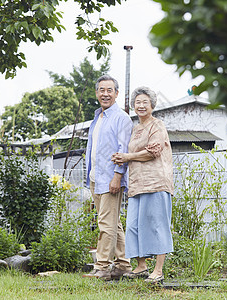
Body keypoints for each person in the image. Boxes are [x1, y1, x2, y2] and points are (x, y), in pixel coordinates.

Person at [111, 86, 174, 283]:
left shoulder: (157, 125)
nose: (140, 105)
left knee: (157, 225)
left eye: (144, 102)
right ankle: (141, 266)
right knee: (133, 226)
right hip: (137, 184)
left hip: (156, 182)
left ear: (152, 105)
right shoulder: (136, 128)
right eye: (137, 102)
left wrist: (127, 157)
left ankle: (158, 269)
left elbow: (153, 151)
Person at [82, 75, 133, 281]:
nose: (105, 94)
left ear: (116, 93)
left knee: (106, 224)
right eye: (101, 90)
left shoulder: (121, 118)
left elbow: (123, 149)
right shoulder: (98, 117)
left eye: (109, 90)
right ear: (97, 93)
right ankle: (123, 264)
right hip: (96, 178)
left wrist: (117, 177)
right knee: (113, 223)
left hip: (111, 178)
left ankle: (102, 267)